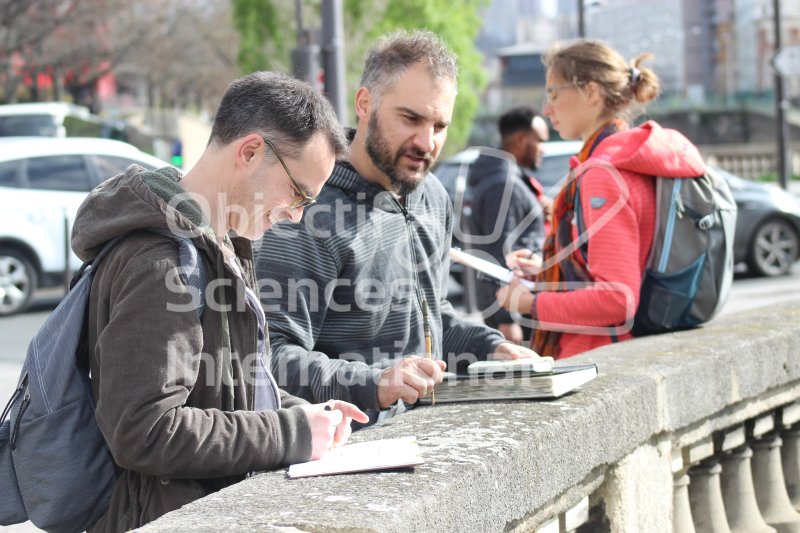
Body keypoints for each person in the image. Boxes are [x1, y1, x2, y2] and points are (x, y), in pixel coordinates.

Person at [71, 71, 368, 532]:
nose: (295, 215)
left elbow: (225, 389)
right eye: (298, 193)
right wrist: (291, 433)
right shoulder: (162, 262)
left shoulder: (215, 242)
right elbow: (144, 432)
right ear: (249, 152)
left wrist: (307, 414)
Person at [256, 30, 539, 419]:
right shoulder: (306, 209)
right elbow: (269, 355)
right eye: (411, 118)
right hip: (340, 458)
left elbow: (431, 317)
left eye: (440, 126)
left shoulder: (434, 196)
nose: (426, 142)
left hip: (423, 439)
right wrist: (374, 384)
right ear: (364, 103)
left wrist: (489, 347)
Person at [496, 39, 705, 359]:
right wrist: (551, 269)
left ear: (591, 93)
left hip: (599, 358)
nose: (547, 108)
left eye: (553, 92)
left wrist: (528, 302)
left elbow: (617, 299)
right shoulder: (632, 155)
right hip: (632, 351)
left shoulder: (602, 173)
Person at [465, 107, 549, 344]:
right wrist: (507, 320)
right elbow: (499, 252)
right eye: (540, 141)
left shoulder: (509, 180)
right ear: (521, 139)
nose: (544, 148)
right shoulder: (504, 185)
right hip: (513, 313)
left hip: (517, 304)